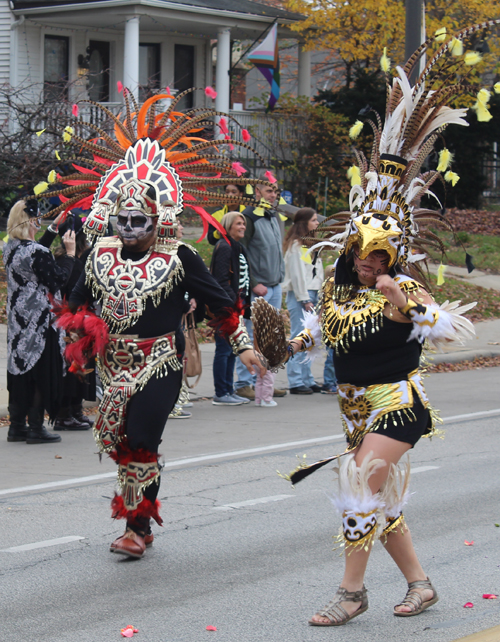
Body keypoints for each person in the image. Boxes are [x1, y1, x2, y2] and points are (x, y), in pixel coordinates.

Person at [253, 32, 482, 626]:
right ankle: (421, 584)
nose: (365, 262)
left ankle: (351, 595)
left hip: (399, 406)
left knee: (358, 486)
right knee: (380, 505)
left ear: (393, 255)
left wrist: (402, 298)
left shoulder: (403, 289)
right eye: (361, 252)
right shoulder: (336, 286)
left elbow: (447, 329)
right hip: (352, 406)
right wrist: (281, 350)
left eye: (378, 256)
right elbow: (321, 331)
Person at [42, 87, 266, 559]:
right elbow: (76, 301)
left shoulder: (180, 256)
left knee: (143, 435)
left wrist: (242, 343)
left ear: (157, 216)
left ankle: (134, 527)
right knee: (124, 442)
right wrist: (81, 332)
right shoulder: (99, 254)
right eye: (121, 217)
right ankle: (139, 521)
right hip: (112, 364)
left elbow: (220, 301)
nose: (127, 226)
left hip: (158, 361)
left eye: (137, 218)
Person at [4, 200, 76, 443]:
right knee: (39, 372)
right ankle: (36, 427)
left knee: (21, 370)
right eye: (38, 220)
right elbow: (59, 279)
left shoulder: (11, 247)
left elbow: (36, 255)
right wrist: (70, 255)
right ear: (32, 222)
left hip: (18, 322)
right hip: (40, 322)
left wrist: (53, 229)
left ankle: (16, 426)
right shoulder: (36, 253)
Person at [234, 178, 287, 401]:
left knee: (269, 337)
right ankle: (243, 382)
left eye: (275, 191)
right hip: (259, 288)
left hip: (274, 285)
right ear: (257, 192)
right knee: (250, 335)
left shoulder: (272, 215)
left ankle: (265, 381)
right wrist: (254, 282)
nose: (273, 195)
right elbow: (241, 251)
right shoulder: (250, 217)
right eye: (268, 190)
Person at [50, 213, 94, 430]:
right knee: (71, 366)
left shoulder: (81, 258)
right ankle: (63, 414)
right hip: (69, 322)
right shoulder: (66, 261)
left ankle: (76, 409)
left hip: (82, 320)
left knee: (81, 366)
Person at [210, 211, 252, 406]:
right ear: (228, 226)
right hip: (227, 308)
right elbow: (220, 280)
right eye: (238, 223)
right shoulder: (224, 247)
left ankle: (228, 390)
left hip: (238, 307)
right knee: (224, 349)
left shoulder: (238, 247)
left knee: (234, 349)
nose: (242, 226)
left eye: (243, 223)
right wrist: (231, 305)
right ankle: (221, 392)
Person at [282, 207, 324, 394]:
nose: (317, 223)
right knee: (299, 336)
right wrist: (304, 297)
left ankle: (307, 378)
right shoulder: (296, 246)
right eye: (314, 220)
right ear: (304, 223)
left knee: (311, 337)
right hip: (301, 294)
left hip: (313, 292)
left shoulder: (310, 244)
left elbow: (316, 271)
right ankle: (295, 380)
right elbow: (298, 274)